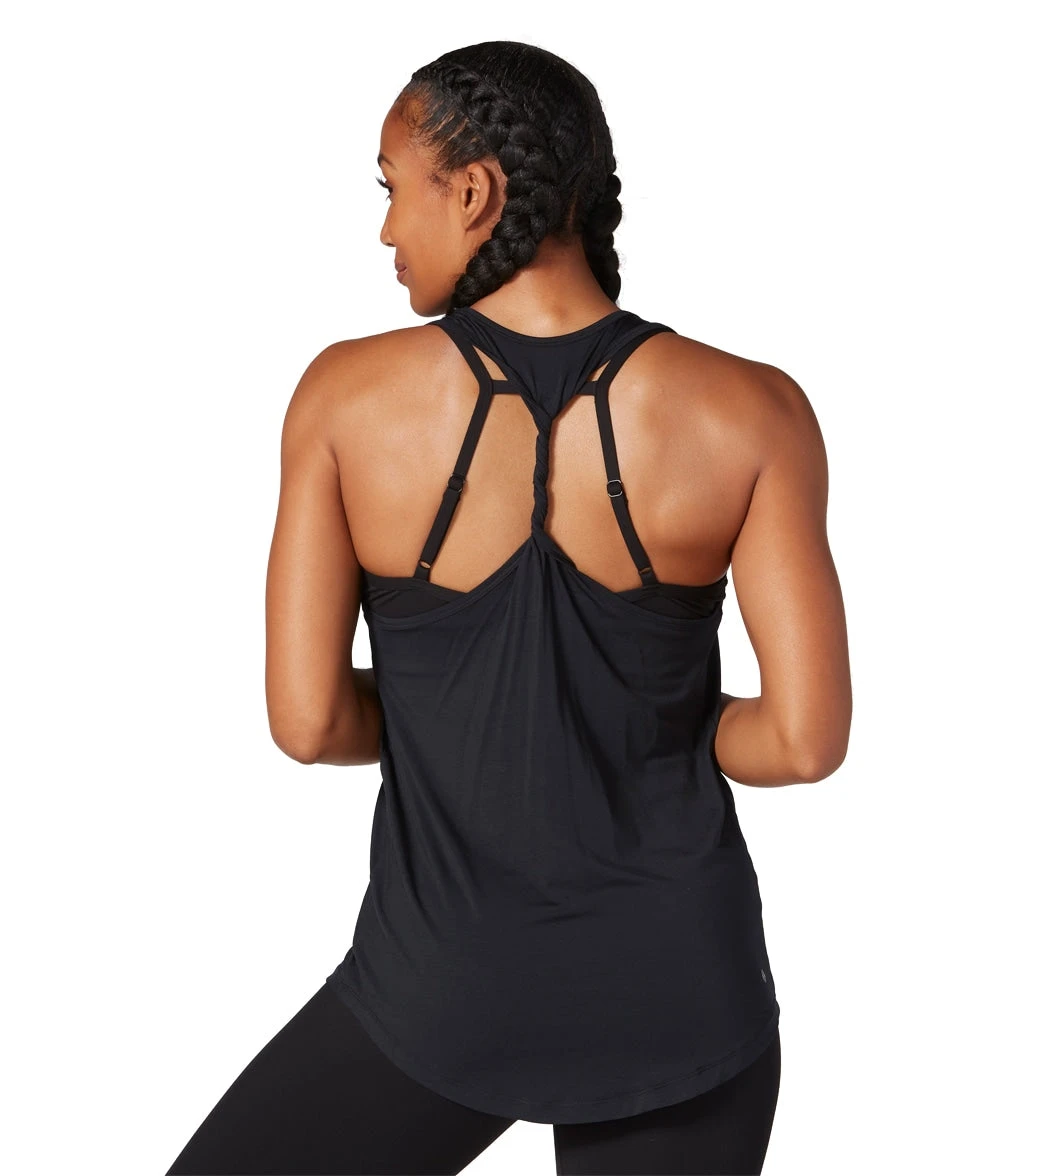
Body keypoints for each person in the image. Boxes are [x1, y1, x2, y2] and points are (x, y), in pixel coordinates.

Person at [166, 39, 851, 1176]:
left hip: (441, 987)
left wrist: (459, 710)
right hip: (680, 1000)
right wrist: (646, 717)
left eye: (393, 188)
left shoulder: (345, 399)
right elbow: (803, 741)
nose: (386, 230)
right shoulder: (754, 411)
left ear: (475, 192)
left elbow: (310, 722)